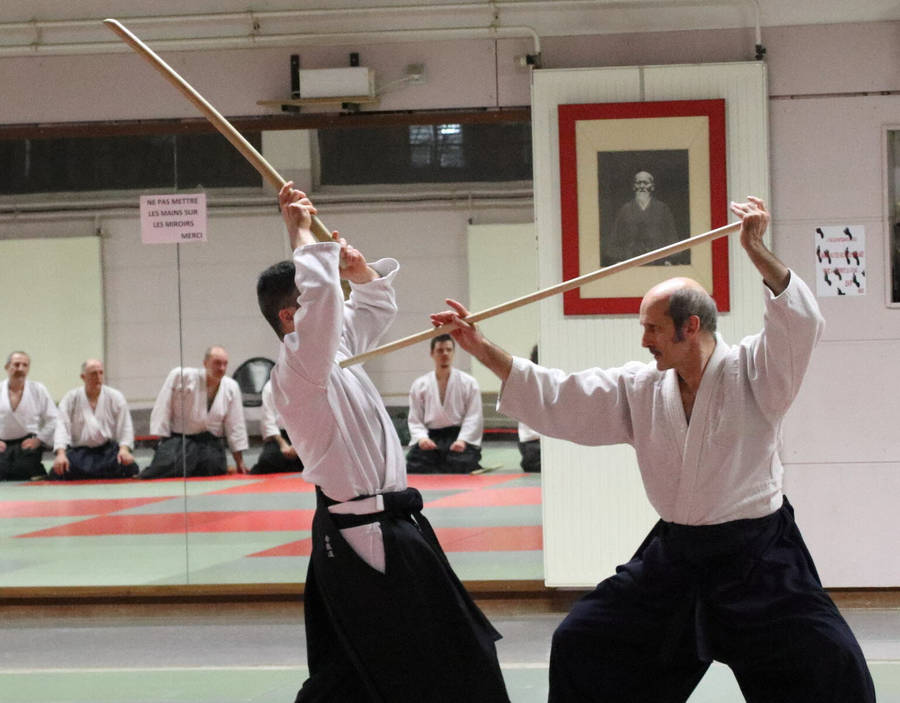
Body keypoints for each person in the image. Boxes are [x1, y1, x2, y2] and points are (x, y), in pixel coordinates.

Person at [432, 196, 875, 702]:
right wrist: (480, 346)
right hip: (677, 560)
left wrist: (755, 249)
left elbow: (799, 326)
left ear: (691, 327)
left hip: (759, 560)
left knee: (830, 663)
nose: (644, 339)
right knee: (583, 639)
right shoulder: (641, 388)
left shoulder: (756, 373)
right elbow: (559, 395)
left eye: (652, 328)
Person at [255, 183, 509, 703]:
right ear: (289, 318)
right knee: (427, 658)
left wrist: (359, 273)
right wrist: (299, 230)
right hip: (365, 537)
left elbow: (371, 308)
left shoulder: (328, 353)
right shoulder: (295, 374)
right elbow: (324, 301)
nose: (330, 306)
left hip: (385, 526)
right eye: (312, 302)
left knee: (362, 666)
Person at [140, 346, 249, 478]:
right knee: (171, 466)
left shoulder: (231, 386)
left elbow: (235, 424)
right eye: (217, 363)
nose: (222, 368)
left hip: (208, 441)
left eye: (225, 364)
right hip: (180, 438)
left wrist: (239, 461)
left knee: (213, 467)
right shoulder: (181, 376)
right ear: (205, 363)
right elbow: (163, 406)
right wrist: (161, 441)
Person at [405, 334, 483, 473]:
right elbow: (415, 418)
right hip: (431, 437)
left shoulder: (469, 382)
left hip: (457, 435)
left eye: (448, 350)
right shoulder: (420, 384)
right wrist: (422, 439)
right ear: (432, 354)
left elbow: (473, 416)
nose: (445, 354)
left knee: (462, 463)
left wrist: (463, 440)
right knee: (415, 464)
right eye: (440, 350)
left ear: (453, 352)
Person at [51, 359, 138, 480]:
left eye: (101, 372)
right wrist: (61, 454)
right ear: (83, 376)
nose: (98, 377)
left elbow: (125, 427)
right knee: (60, 469)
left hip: (107, 452)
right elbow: (61, 427)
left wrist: (124, 450)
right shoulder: (71, 398)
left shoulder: (115, 396)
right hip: (79, 453)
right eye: (93, 373)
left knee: (129, 466)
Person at [603, 170, 686, 267]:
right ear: (634, 186)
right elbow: (616, 239)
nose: (642, 186)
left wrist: (670, 259)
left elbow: (671, 236)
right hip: (630, 262)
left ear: (652, 186)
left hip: (658, 262)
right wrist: (618, 260)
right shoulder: (625, 210)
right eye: (639, 183)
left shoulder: (662, 209)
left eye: (646, 183)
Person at [0, 351, 56, 481]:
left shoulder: (38, 389)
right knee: (2, 470)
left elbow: (54, 418)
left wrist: (39, 440)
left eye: (25, 365)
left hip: (27, 443)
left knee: (23, 469)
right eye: (16, 364)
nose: (21, 368)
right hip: (2, 443)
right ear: (7, 367)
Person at [248, 379, 303, 474]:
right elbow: (268, 420)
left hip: (304, 437)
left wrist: (299, 445)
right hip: (279, 437)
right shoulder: (270, 386)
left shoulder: (306, 384)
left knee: (314, 461)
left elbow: (310, 418)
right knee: (268, 460)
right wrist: (283, 444)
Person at [516, 345, 541, 473]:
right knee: (533, 460)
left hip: (556, 440)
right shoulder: (525, 384)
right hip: (534, 442)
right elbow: (528, 432)